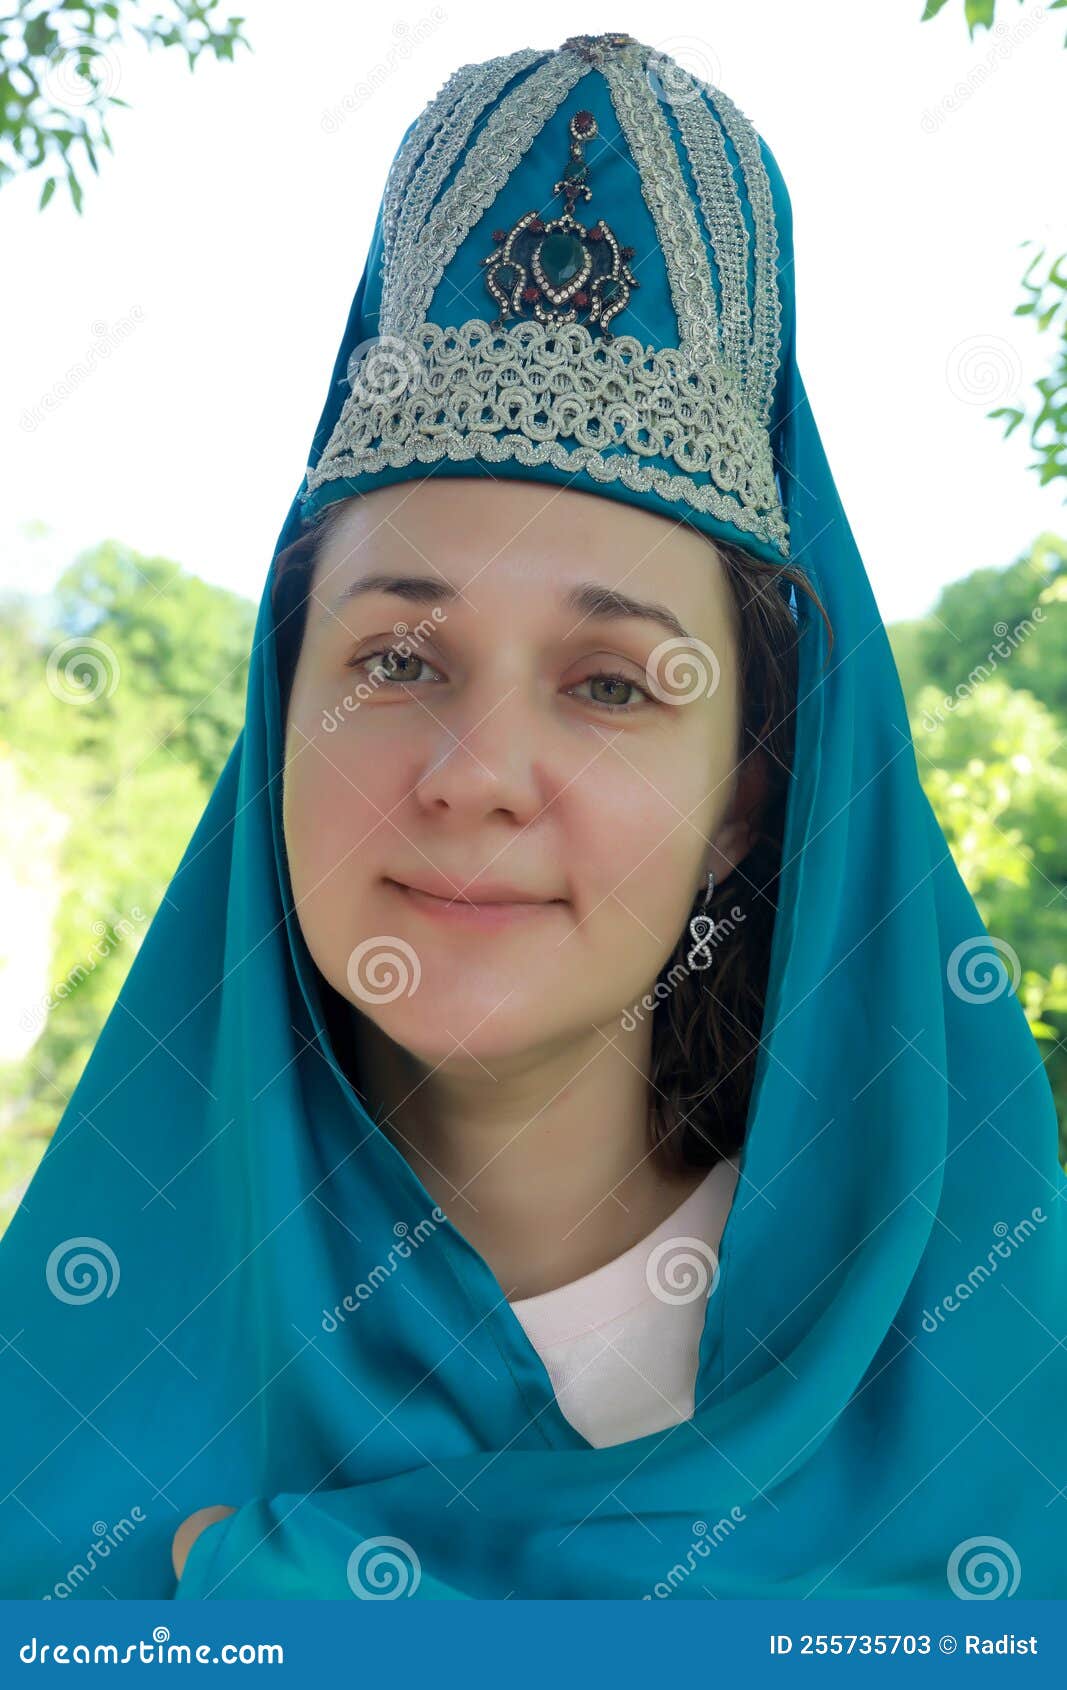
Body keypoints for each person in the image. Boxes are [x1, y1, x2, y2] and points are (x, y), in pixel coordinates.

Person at [2, 32, 1063, 1603]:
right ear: (277, 717)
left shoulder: (1010, 1409)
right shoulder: (46, 1405)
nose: (475, 770)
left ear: (744, 794)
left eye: (614, 684)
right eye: (398, 658)